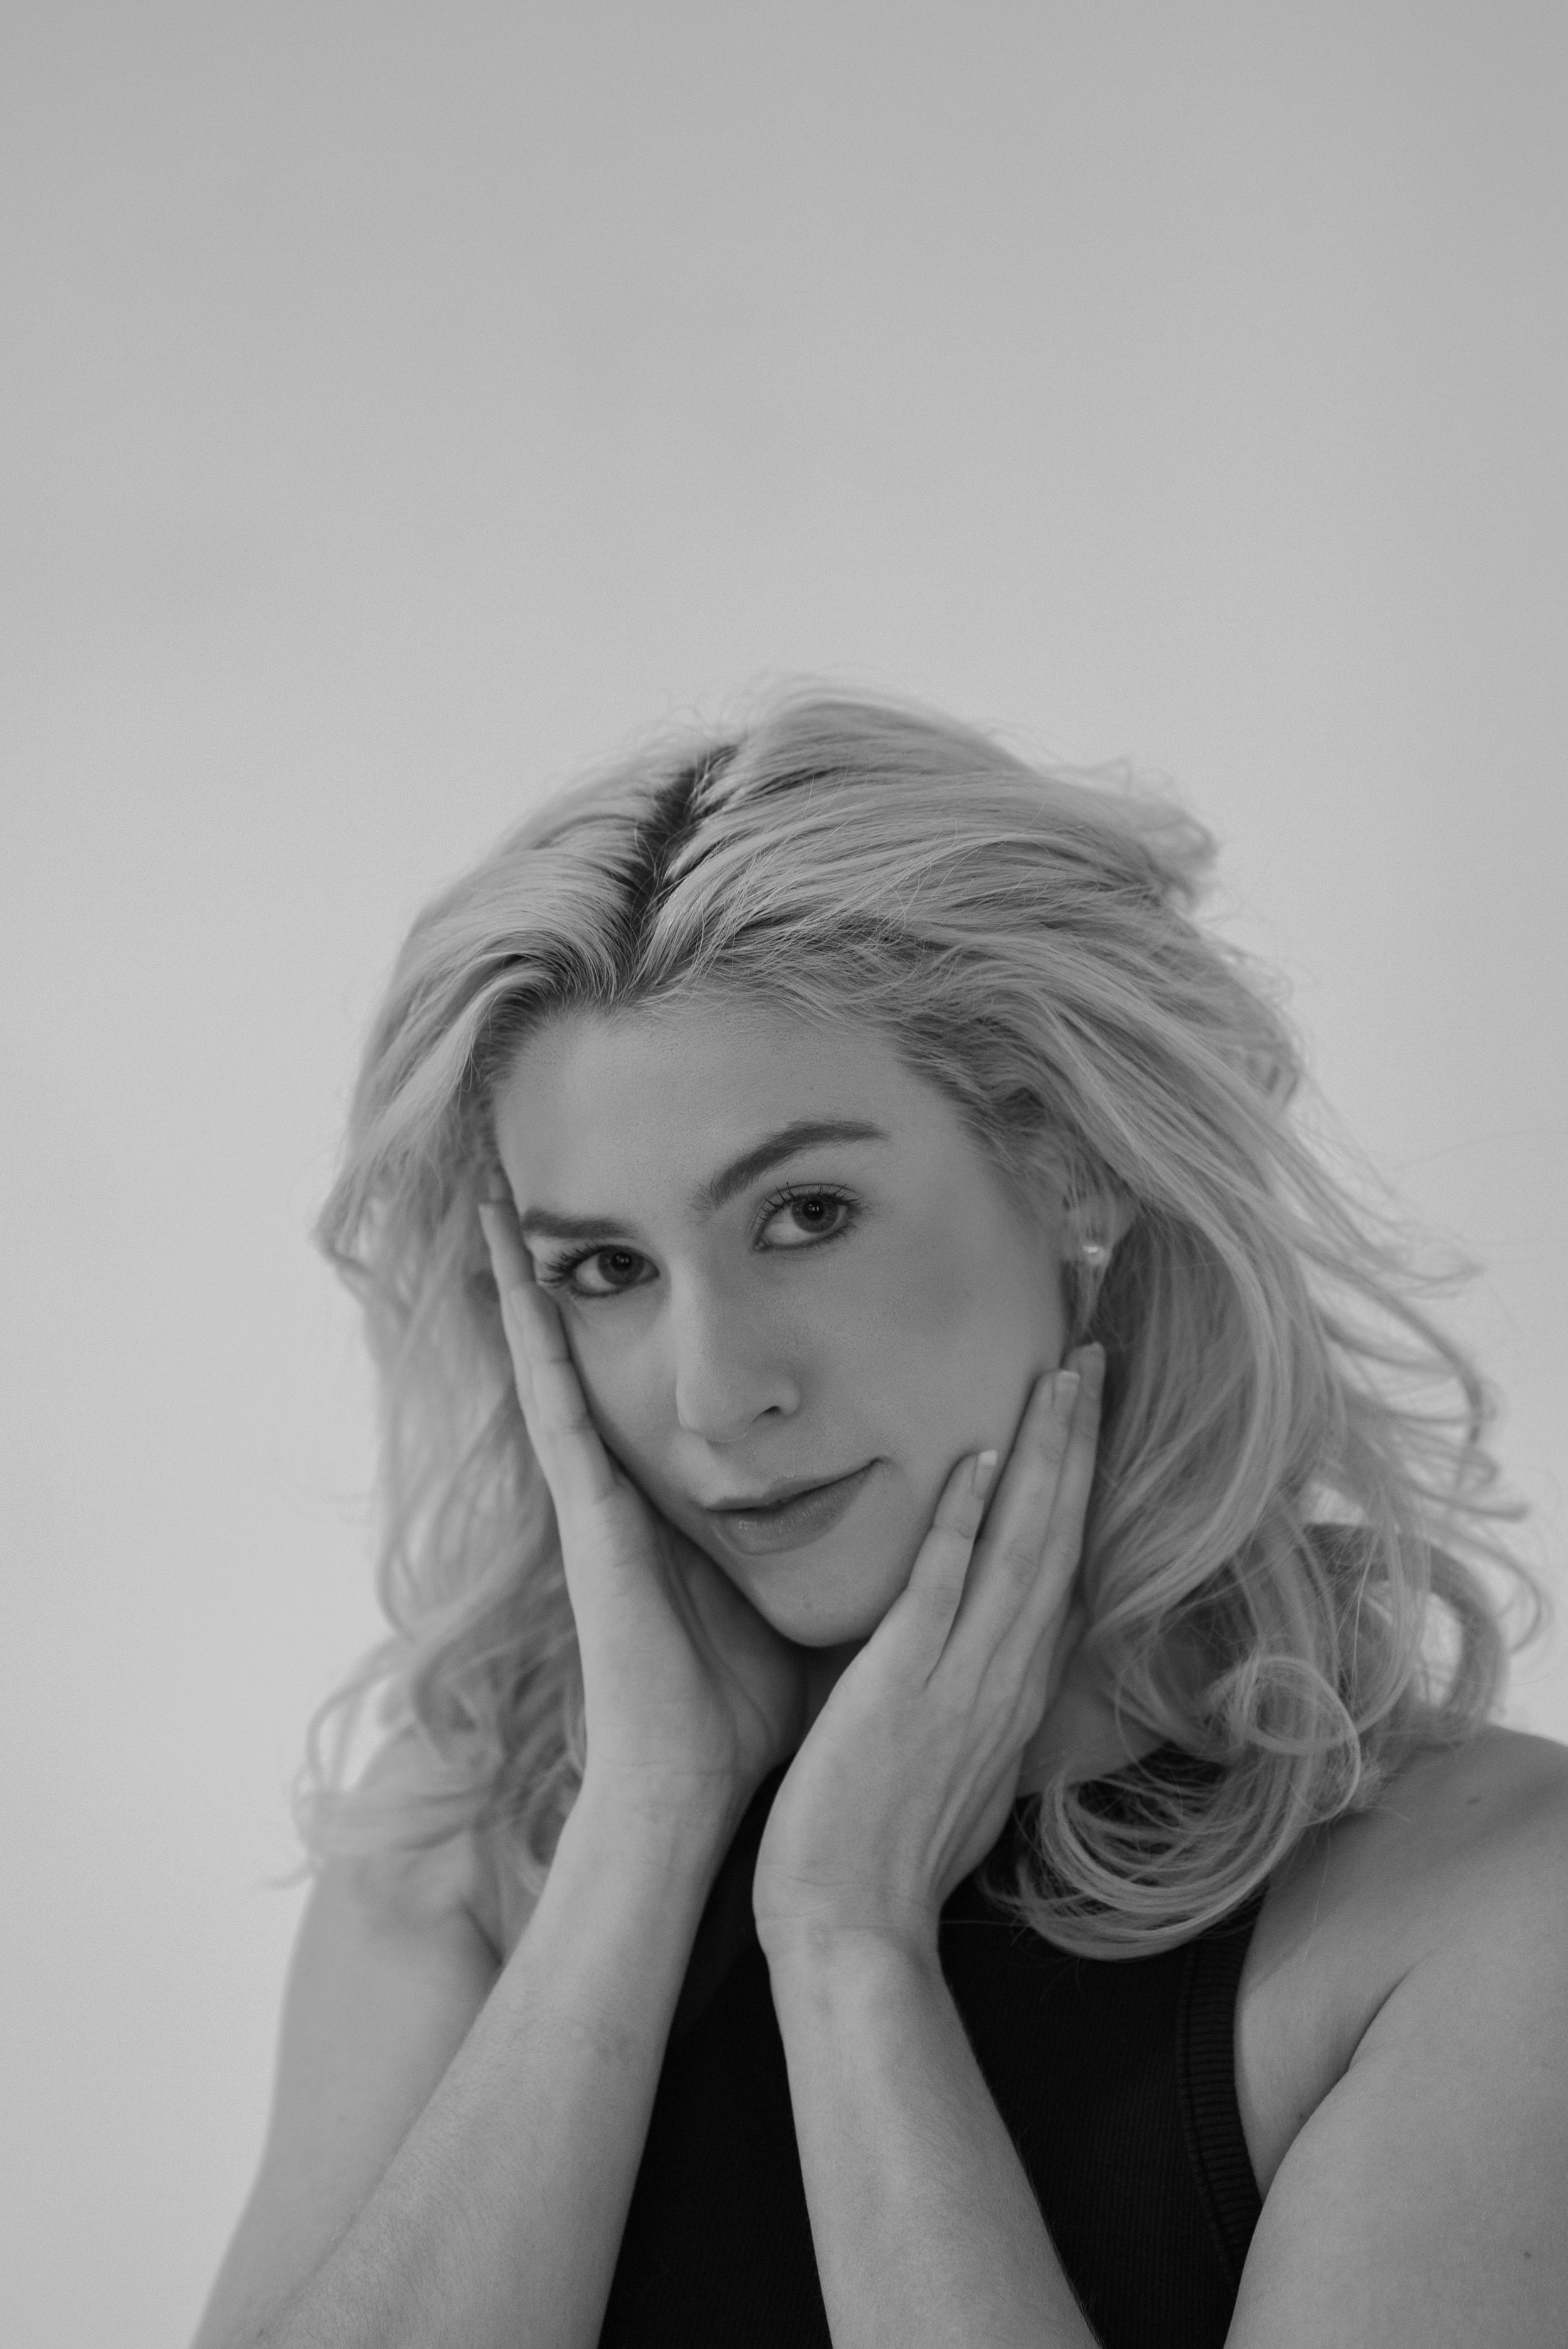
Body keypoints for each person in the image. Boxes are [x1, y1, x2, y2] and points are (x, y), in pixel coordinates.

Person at [190, 691, 1567, 2349]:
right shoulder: (467, 1847)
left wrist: (851, 1945)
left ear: (1070, 1166)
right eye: (606, 1268)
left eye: (806, 1213)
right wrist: (644, 1826)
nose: (713, 1393)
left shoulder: (1476, 1904)